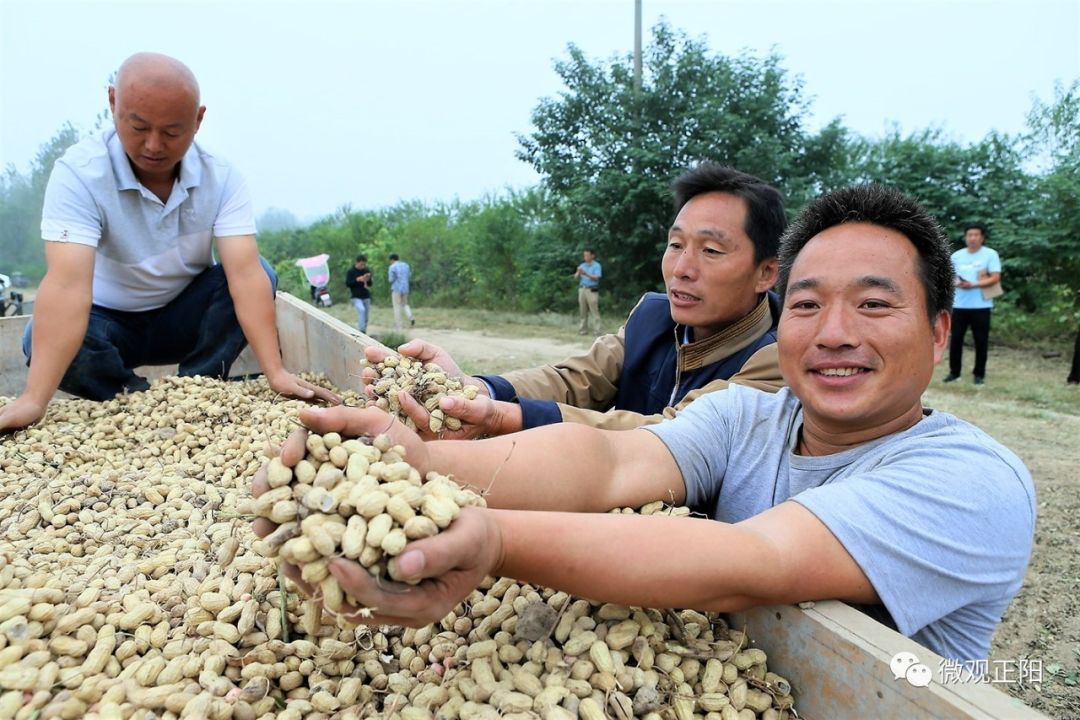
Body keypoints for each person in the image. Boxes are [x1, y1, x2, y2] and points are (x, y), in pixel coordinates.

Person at [254, 184, 1035, 663]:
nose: (832, 332)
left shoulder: (971, 481)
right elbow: (606, 464)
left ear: (941, 331)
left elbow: (749, 561)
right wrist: (418, 458)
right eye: (808, 305)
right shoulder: (748, 413)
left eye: (872, 304)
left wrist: (494, 542)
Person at [0, 52, 338, 432]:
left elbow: (244, 275)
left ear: (198, 120)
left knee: (261, 272)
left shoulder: (221, 177)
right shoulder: (79, 174)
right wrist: (32, 399)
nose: (154, 145)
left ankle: (199, 389)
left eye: (173, 132)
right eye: (138, 127)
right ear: (113, 102)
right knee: (38, 338)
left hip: (184, 317)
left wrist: (275, 372)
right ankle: (134, 398)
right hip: (107, 321)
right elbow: (66, 285)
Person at [364, 163, 786, 438]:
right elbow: (574, 380)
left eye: (711, 251)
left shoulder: (777, 359)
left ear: (766, 272)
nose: (682, 268)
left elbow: (670, 435)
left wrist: (506, 417)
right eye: (676, 245)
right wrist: (479, 388)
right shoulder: (654, 318)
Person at [944, 223, 1001, 385]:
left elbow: (995, 277)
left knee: (981, 341)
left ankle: (979, 375)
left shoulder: (990, 255)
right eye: (970, 235)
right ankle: (954, 373)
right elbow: (949, 277)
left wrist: (974, 284)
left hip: (981, 306)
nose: (973, 238)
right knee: (956, 340)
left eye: (976, 235)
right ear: (965, 237)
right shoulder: (957, 256)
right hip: (959, 305)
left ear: (982, 237)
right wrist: (957, 283)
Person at [575, 248, 602, 335]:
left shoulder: (596, 266)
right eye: (584, 255)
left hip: (592, 290)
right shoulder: (582, 265)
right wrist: (578, 273)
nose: (585, 257)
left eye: (587, 255)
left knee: (594, 310)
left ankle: (597, 330)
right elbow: (576, 278)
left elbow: (597, 277)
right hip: (582, 289)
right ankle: (583, 330)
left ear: (592, 256)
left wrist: (585, 273)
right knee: (582, 311)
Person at [345, 255, 373, 334]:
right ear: (357, 262)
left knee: (366, 316)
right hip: (356, 296)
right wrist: (357, 280)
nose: (362, 266)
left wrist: (367, 279)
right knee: (361, 310)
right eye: (361, 264)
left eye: (364, 264)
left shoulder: (366, 270)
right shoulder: (351, 271)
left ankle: (364, 330)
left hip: (366, 295)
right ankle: (361, 331)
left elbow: (370, 284)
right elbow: (348, 284)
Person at [388, 253, 414, 331]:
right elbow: (408, 276)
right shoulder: (406, 265)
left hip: (396, 289)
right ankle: (411, 317)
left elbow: (391, 279)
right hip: (405, 288)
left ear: (392, 260)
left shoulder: (392, 267)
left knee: (397, 307)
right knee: (405, 304)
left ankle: (399, 326)